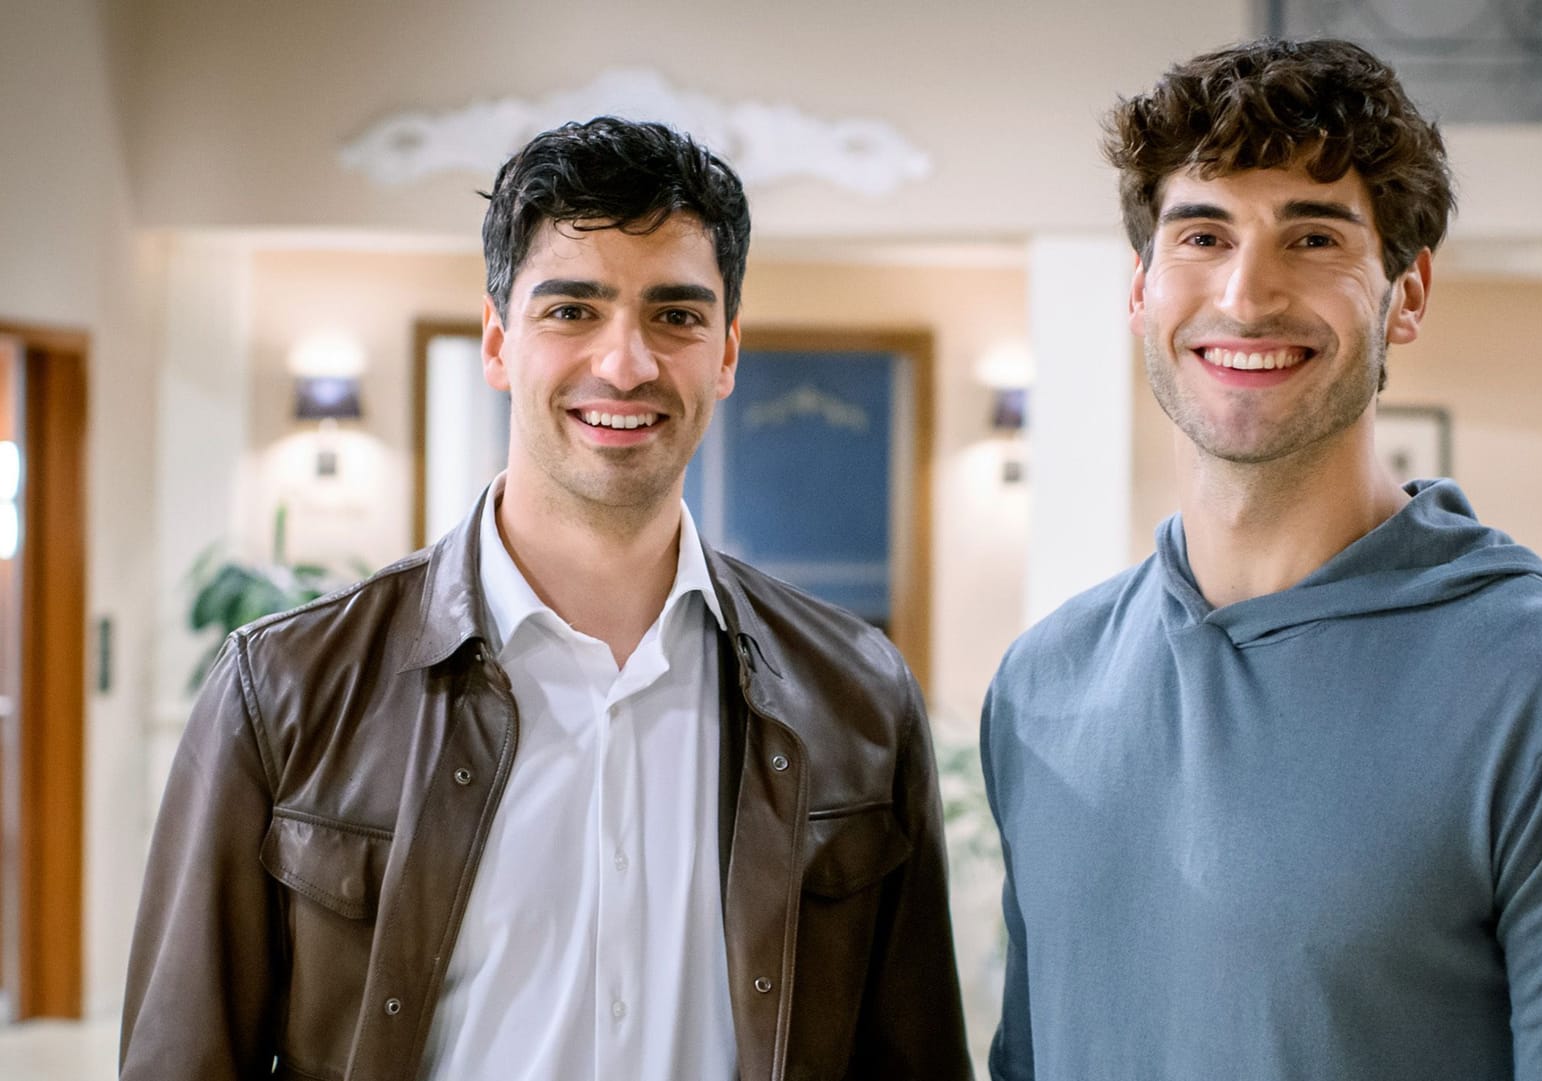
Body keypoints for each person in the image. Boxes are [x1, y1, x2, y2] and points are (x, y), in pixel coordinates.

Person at [122, 117, 970, 1081]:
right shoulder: (282, 690)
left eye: (677, 316)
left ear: (727, 351)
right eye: (572, 310)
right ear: (497, 339)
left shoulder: (857, 696)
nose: (625, 363)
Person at [980, 39, 1542, 1081]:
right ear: (1143, 287)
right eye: (1203, 234)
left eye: (1313, 237)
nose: (1247, 296)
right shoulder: (1042, 681)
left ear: (1408, 293)